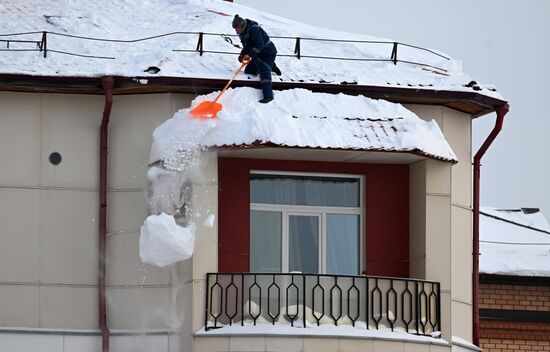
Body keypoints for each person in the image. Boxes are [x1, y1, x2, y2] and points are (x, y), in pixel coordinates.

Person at [232, 15, 281, 104]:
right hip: (257, 54)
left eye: (236, 28)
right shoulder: (243, 33)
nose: (236, 31)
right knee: (249, 71)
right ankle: (271, 65)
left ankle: (268, 96)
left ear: (242, 25)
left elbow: (260, 45)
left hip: (267, 53)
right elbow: (247, 46)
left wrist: (249, 55)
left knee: (264, 71)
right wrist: (242, 54)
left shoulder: (254, 29)